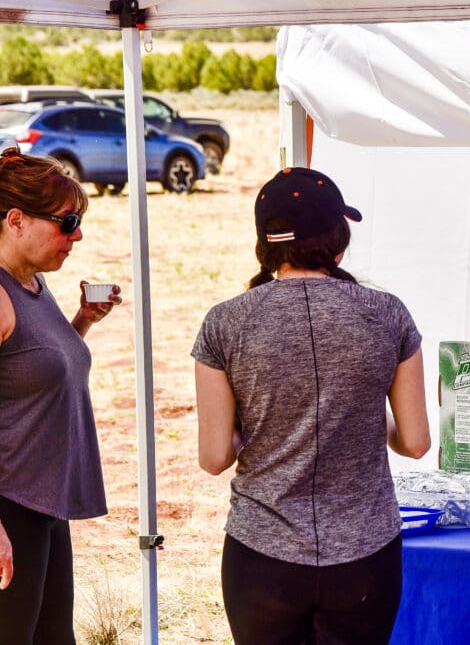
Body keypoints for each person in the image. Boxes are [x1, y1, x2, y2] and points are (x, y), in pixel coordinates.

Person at [192, 166, 431, 645]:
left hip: (262, 553)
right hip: (365, 553)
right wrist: (365, 411)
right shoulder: (388, 314)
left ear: (266, 245)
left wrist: (259, 419)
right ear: (338, 242)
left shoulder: (224, 323)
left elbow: (215, 457)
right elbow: (416, 443)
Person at [0, 148, 122, 642]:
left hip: (42, 505)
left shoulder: (33, 282)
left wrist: (82, 323)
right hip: (9, 507)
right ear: (16, 220)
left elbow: (36, 372)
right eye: (67, 222)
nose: (77, 235)